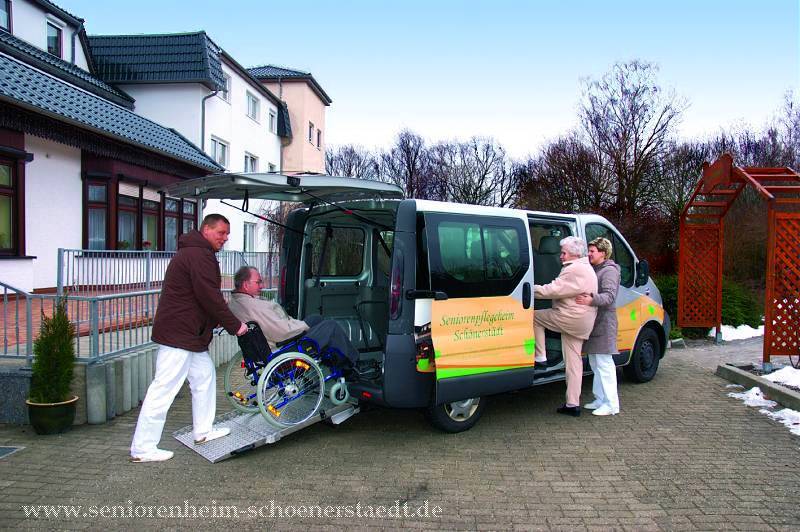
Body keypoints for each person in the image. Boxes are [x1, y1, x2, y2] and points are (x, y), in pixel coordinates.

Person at [130, 214, 248, 463]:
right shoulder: (198, 255)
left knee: (204, 378)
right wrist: (234, 326)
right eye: (221, 233)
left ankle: (203, 432)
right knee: (164, 389)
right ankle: (142, 448)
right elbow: (209, 296)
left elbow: (202, 297)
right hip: (180, 334)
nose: (225, 238)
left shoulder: (198, 253)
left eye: (227, 234)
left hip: (188, 333)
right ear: (206, 229)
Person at [227, 266, 360, 366]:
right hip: (282, 348)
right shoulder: (255, 306)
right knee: (331, 326)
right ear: (245, 285)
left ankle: (333, 358)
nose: (262, 286)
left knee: (316, 318)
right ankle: (354, 363)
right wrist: (304, 326)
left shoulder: (236, 303)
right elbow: (282, 331)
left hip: (266, 345)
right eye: (258, 282)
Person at [533, 236, 598, 417]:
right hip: (581, 321)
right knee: (573, 363)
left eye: (563, 253)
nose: (561, 256)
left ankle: (540, 357)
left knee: (534, 317)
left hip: (570, 318)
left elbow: (553, 290)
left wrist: (529, 289)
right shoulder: (586, 267)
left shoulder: (574, 269)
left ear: (574, 254)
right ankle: (572, 404)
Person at [576, 237, 621, 416]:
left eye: (592, 251)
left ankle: (611, 404)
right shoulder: (596, 269)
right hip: (596, 323)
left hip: (604, 323)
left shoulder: (609, 271)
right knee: (596, 363)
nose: (589, 254)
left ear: (603, 253)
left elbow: (609, 297)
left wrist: (591, 299)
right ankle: (600, 399)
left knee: (604, 364)